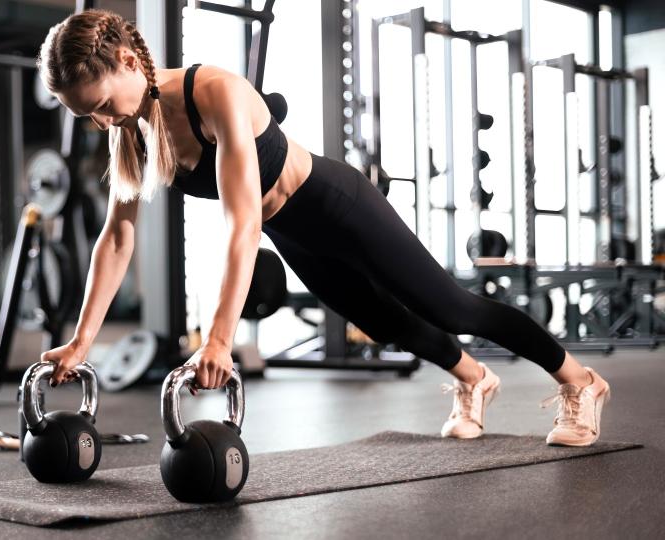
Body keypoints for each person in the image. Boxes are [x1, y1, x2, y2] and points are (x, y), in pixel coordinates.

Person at [36, 9, 610, 447]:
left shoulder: (215, 93)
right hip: (296, 233)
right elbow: (117, 235)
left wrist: (218, 339)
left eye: (104, 105)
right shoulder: (129, 129)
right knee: (385, 325)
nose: (103, 121)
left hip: (337, 203)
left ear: (130, 64)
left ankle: (580, 382)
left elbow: (242, 224)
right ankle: (474, 378)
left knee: (455, 309)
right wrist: (83, 341)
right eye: (87, 114)